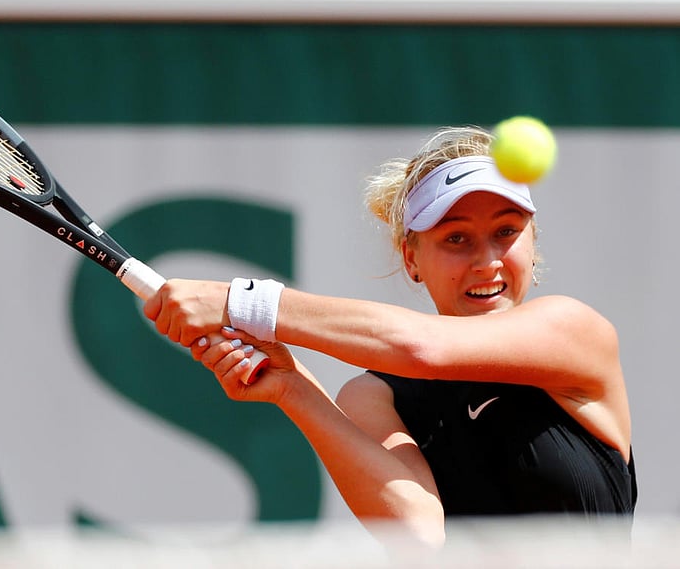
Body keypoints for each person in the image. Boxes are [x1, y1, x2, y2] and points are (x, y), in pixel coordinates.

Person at [143, 126, 636, 547]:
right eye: (456, 238)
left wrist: (239, 301)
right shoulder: (374, 396)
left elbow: (421, 347)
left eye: (506, 232)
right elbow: (419, 535)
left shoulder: (575, 331)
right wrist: (292, 388)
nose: (486, 260)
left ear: (532, 243)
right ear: (411, 259)